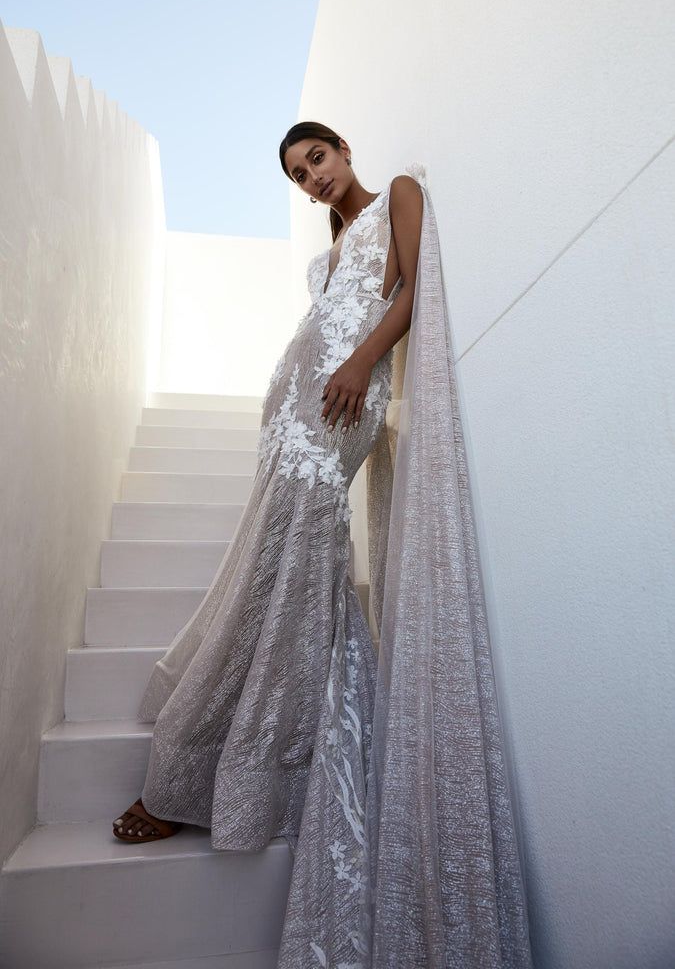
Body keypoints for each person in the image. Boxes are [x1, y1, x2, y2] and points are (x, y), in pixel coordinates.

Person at [112, 122, 535, 968]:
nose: (312, 179)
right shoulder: (333, 243)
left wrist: (360, 364)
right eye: (299, 176)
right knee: (276, 564)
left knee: (296, 562)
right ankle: (239, 741)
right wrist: (306, 381)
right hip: (293, 406)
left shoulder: (397, 197)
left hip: (342, 403)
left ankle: (208, 768)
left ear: (342, 149)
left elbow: (415, 289)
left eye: (317, 161)